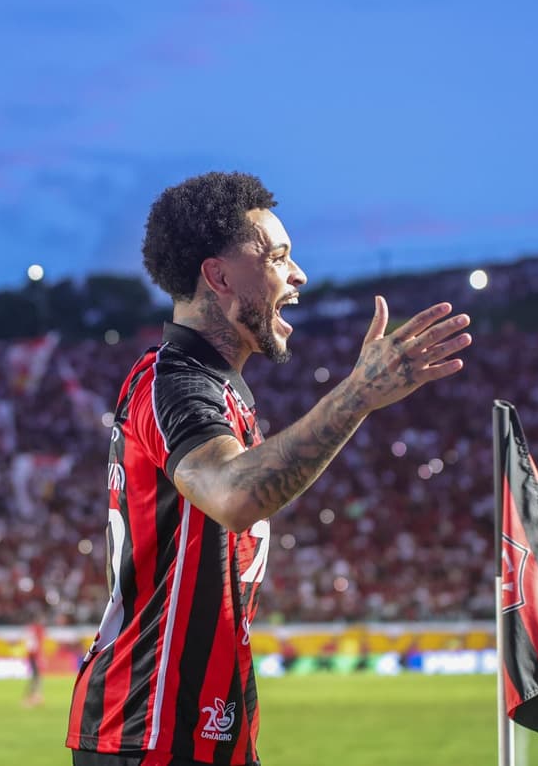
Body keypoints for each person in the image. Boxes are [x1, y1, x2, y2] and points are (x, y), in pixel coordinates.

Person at [66, 171, 472, 766]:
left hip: (207, 726)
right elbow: (234, 494)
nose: (299, 275)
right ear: (219, 276)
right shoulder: (171, 380)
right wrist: (357, 394)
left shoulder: (223, 396)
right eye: (278, 257)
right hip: (151, 728)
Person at [22, 617, 46, 707]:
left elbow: (30, 644)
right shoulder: (37, 630)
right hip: (34, 656)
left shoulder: (31, 629)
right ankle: (33, 697)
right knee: (36, 677)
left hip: (32, 655)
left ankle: (35, 696)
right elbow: (34, 645)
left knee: (36, 676)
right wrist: (39, 657)